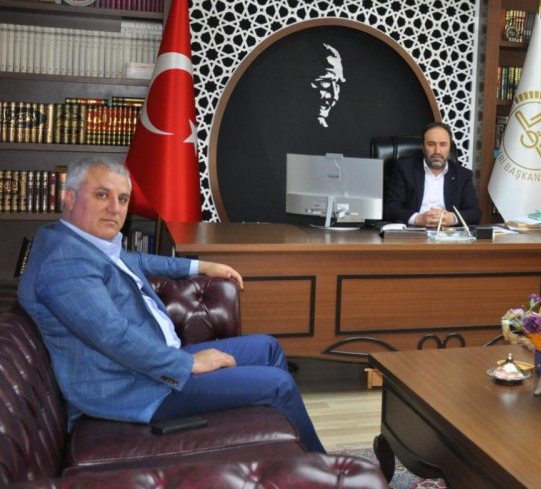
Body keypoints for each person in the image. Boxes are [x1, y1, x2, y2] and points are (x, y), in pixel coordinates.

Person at [17, 157, 325, 452]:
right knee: (279, 385)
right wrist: (188, 364)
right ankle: (319, 468)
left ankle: (277, 451)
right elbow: (113, 335)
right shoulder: (64, 262)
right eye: (102, 195)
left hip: (150, 363)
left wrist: (200, 266)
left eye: (123, 199)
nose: (114, 208)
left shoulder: (77, 241)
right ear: (70, 198)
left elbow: (137, 260)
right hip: (133, 387)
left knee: (268, 348)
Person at [383, 121, 481, 227]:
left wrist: (452, 218)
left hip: (448, 233)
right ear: (423, 146)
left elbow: (474, 213)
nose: (437, 151)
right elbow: (390, 208)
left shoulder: (462, 175)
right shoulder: (404, 169)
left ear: (450, 147)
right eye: (431, 144)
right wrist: (418, 219)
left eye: (443, 144)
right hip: (414, 232)